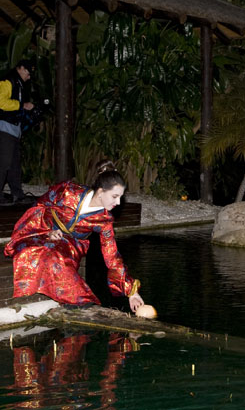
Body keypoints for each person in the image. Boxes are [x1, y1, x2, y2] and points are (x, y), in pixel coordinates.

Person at [3, 160, 145, 312]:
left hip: (72, 245)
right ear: (101, 191)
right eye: (115, 196)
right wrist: (47, 230)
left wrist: (132, 292)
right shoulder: (68, 191)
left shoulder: (104, 220)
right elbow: (40, 206)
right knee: (31, 251)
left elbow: (112, 256)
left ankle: (80, 302)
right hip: (43, 232)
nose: (118, 202)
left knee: (55, 257)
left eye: (120, 197)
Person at [0, 59, 35, 204]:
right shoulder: (8, 81)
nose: (29, 76)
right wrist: (22, 105)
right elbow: (1, 102)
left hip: (14, 128)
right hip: (4, 127)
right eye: (27, 72)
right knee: (3, 163)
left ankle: (17, 194)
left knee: (14, 163)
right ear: (19, 68)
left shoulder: (21, 84)